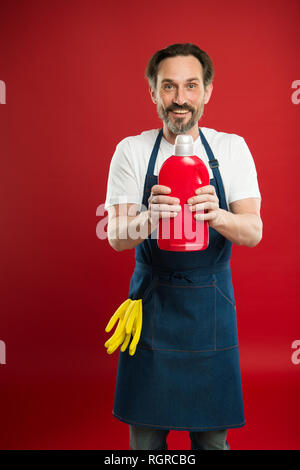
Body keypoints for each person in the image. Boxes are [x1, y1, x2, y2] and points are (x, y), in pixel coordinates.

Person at [104, 43, 262, 450]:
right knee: (146, 445)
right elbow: (118, 237)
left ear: (207, 90)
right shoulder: (132, 151)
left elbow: (253, 231)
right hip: (151, 308)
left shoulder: (231, 149)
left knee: (211, 445)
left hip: (210, 310)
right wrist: (147, 219)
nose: (180, 99)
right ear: (153, 93)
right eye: (168, 86)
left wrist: (219, 216)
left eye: (191, 86)